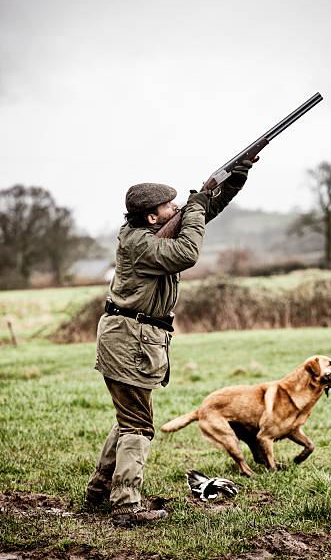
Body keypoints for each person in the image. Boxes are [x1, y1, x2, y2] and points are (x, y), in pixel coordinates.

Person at [85, 159, 256, 528]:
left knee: (131, 417)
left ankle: (99, 490)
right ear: (151, 218)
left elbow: (201, 212)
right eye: (169, 206)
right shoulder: (143, 245)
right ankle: (126, 506)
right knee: (138, 425)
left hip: (132, 337)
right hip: (129, 339)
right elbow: (188, 253)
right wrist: (194, 208)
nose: (176, 207)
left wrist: (235, 176)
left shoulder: (145, 232)